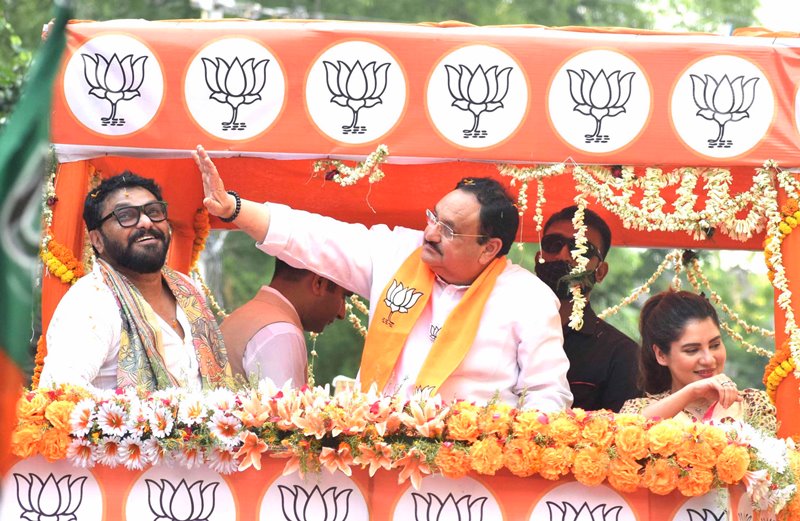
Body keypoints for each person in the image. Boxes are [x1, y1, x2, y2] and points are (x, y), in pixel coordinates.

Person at [193, 145, 572, 411]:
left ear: (489, 248)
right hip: (379, 459)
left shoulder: (528, 298)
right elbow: (313, 237)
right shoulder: (397, 253)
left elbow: (546, 396)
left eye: (449, 230)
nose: (431, 234)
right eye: (433, 218)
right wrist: (234, 209)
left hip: (467, 482)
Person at [40, 172, 233, 391]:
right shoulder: (92, 301)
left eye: (154, 211)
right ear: (97, 240)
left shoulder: (187, 288)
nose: (146, 222)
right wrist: (144, 417)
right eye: (126, 215)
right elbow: (59, 389)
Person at [620, 290, 777, 435]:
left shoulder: (753, 405)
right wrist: (692, 392)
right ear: (661, 355)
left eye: (715, 345)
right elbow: (625, 436)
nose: (708, 359)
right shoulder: (638, 410)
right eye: (692, 350)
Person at [535, 206, 640, 412]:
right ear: (538, 257)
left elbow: (623, 434)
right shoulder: (506, 330)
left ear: (600, 272)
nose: (563, 255)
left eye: (580, 249)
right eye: (552, 245)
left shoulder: (620, 353)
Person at [221, 259, 351, 387]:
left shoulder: (239, 317)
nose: (342, 313)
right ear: (319, 283)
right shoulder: (281, 332)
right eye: (343, 296)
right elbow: (283, 408)